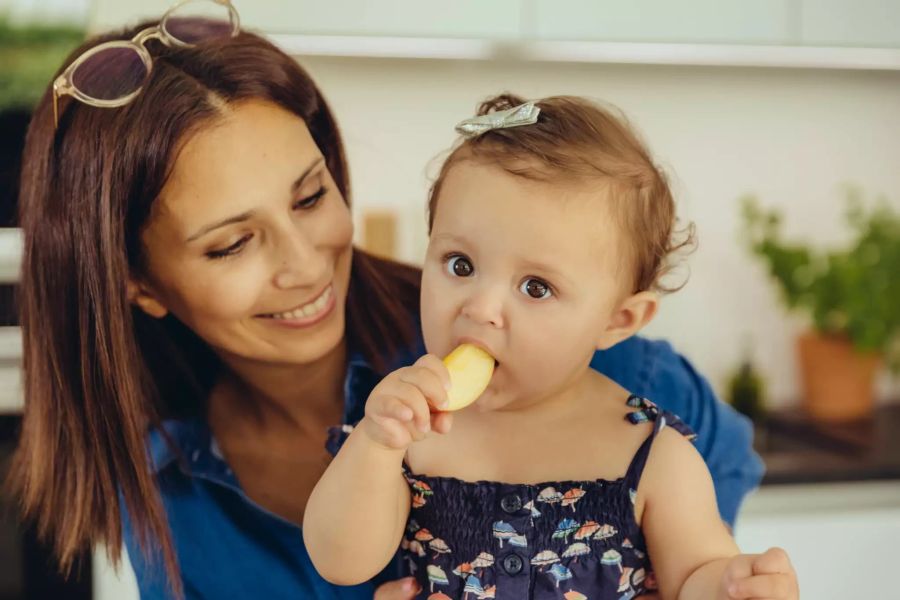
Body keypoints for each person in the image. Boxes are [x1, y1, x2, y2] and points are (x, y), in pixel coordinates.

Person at [9, 1, 763, 597]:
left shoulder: (587, 371)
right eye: (232, 243)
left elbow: (719, 487)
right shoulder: (160, 476)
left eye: (310, 198)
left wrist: (668, 576)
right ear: (138, 284)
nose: (305, 266)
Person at [304, 95, 796, 600]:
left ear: (617, 320)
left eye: (536, 287)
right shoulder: (409, 432)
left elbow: (694, 575)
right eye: (460, 264)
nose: (481, 307)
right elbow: (340, 561)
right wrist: (375, 444)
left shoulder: (652, 454)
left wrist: (731, 585)